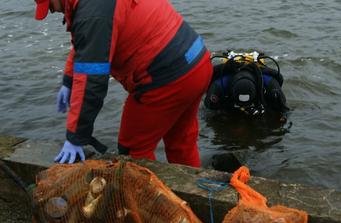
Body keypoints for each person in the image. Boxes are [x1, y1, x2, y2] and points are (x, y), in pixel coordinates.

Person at [34, 0, 213, 167]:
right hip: (197, 62)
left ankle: (151, 200)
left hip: (167, 79)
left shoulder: (93, 13)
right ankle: (194, 195)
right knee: (181, 142)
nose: (52, 11)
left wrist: (76, 137)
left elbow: (92, 81)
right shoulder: (92, 9)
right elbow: (88, 44)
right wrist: (68, 80)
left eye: (50, 5)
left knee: (133, 151)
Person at [204, 51, 289, 118]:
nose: (244, 106)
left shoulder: (268, 82)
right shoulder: (219, 85)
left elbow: (283, 109)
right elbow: (209, 109)